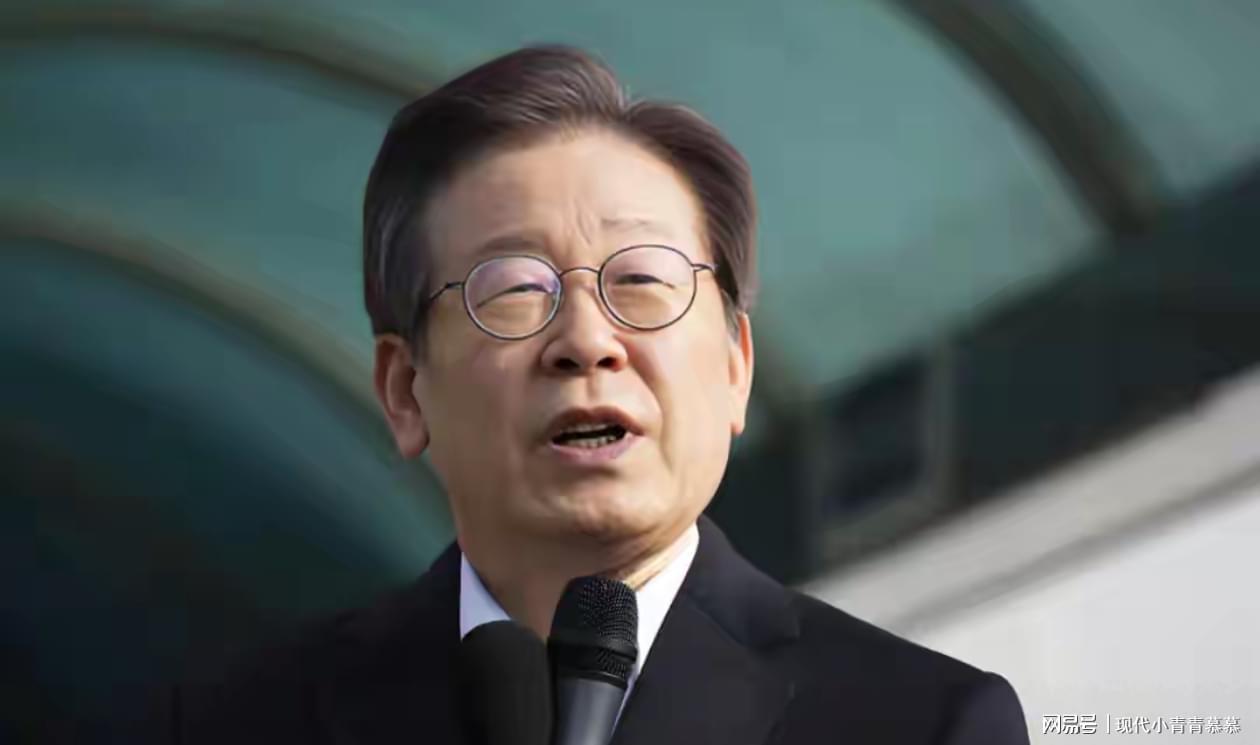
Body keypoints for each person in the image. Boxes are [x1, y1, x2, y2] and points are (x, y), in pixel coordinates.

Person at [156, 44, 1031, 744]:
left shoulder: (920, 723)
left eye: (642, 280)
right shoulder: (238, 725)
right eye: (513, 289)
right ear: (404, 391)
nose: (585, 341)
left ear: (735, 366)